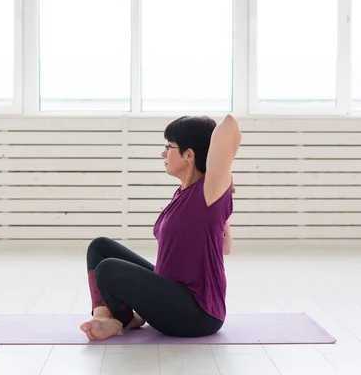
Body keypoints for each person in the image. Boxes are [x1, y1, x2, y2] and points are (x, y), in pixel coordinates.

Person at [80, 114, 241, 340]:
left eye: (169, 146)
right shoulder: (183, 194)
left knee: (109, 269)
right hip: (170, 293)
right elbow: (225, 247)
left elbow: (229, 125)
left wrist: (223, 173)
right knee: (100, 248)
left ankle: (127, 320)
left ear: (188, 155)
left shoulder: (208, 192)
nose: (163, 153)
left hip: (198, 313)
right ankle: (103, 318)